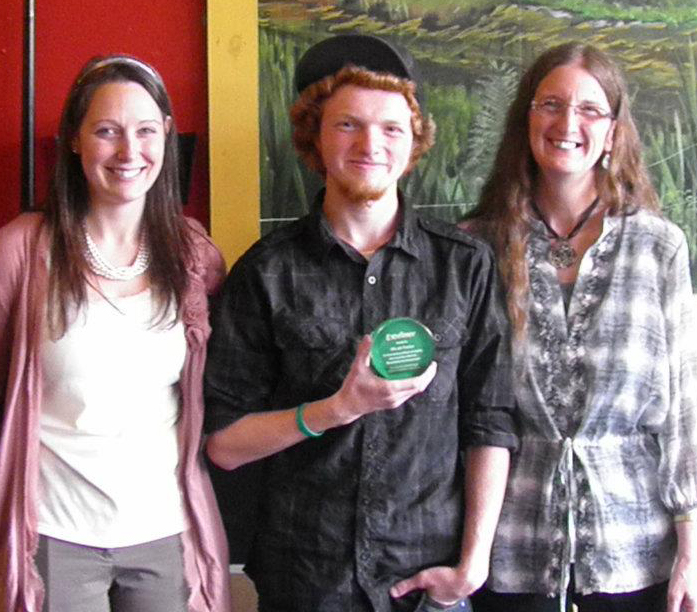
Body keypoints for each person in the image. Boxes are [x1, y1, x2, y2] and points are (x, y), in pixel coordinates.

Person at [203, 34, 518, 612]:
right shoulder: (266, 271)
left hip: (428, 583)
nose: (370, 143)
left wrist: (472, 566)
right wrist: (337, 409)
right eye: (348, 125)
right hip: (306, 580)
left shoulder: (465, 267)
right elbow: (224, 444)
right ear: (315, 139)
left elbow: (490, 422)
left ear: (413, 143)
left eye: (391, 128)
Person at [0, 55, 231, 612]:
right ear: (75, 141)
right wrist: (19, 494)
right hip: (55, 536)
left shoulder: (194, 255)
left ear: (166, 137)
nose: (130, 152)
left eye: (146, 131)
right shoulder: (19, 252)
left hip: (165, 528)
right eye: (107, 131)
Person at [462, 42, 697, 612]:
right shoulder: (477, 248)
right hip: (507, 553)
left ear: (614, 129)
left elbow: (683, 409)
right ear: (525, 117)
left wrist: (689, 557)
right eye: (550, 103)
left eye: (590, 109)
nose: (567, 123)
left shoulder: (658, 246)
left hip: (636, 552)